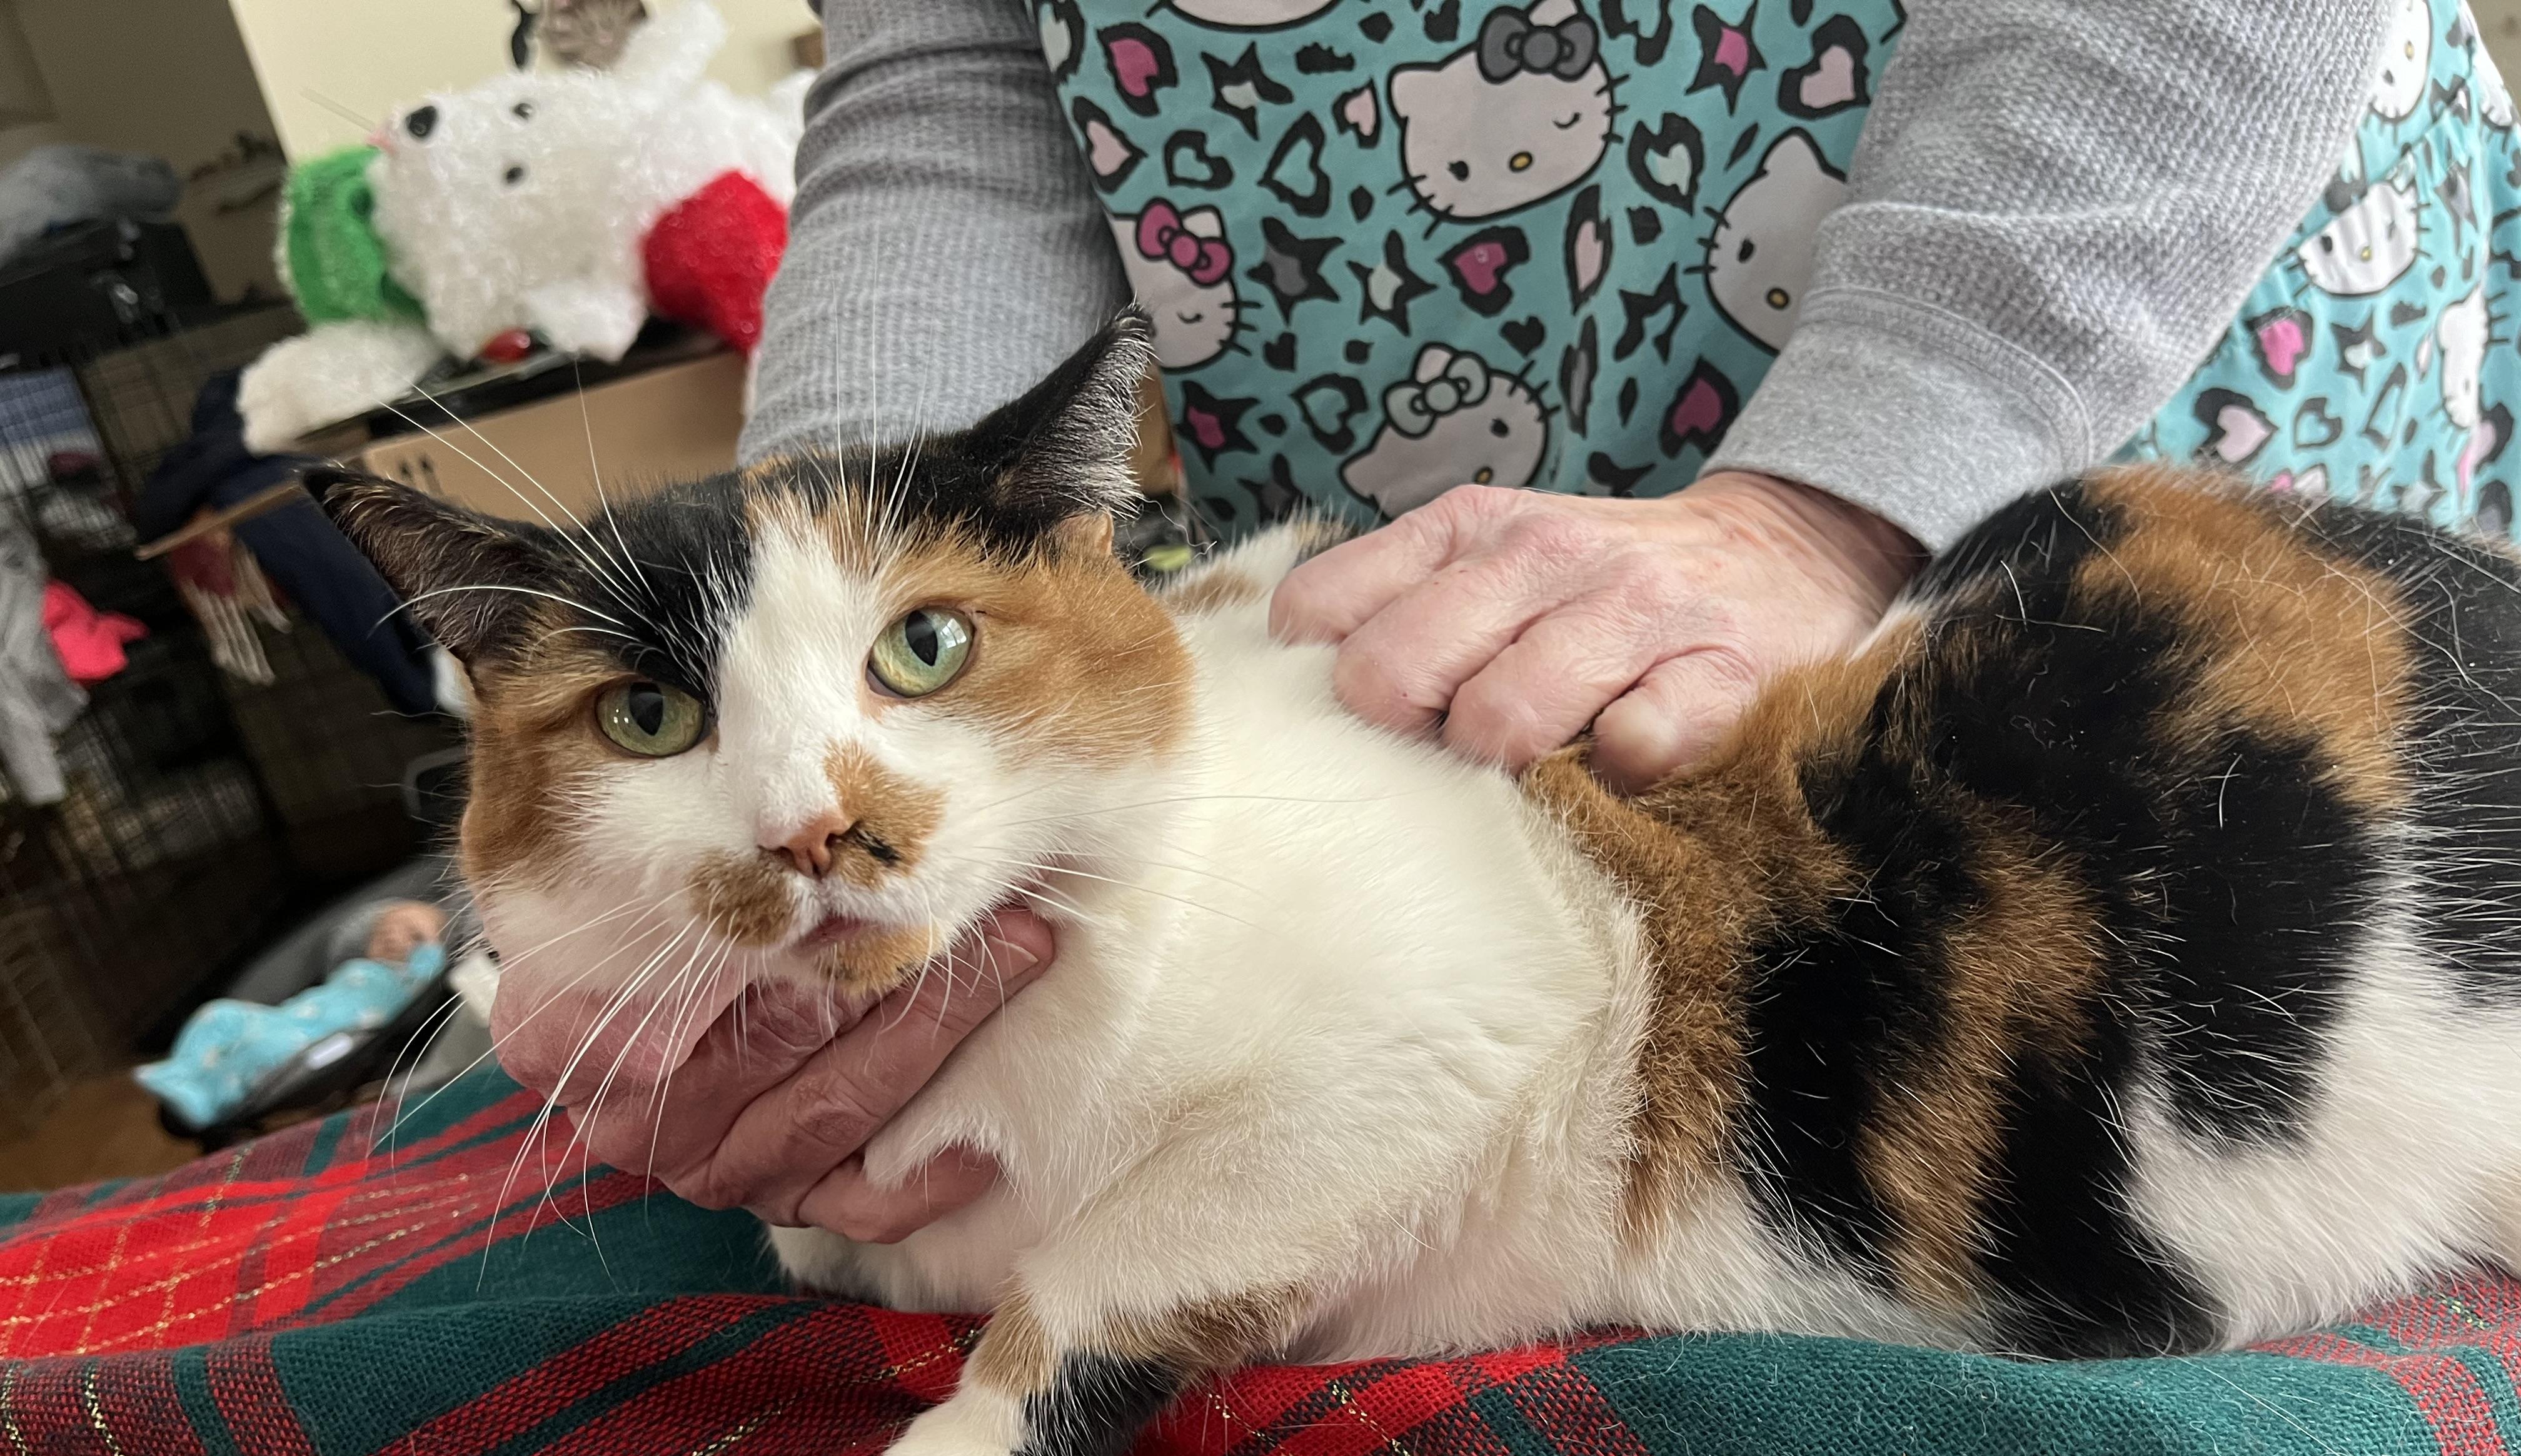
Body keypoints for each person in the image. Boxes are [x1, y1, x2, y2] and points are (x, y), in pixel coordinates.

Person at [495, 0, 2495, 1245]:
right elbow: (949, 76)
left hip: (2093, 488)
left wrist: (1835, 499)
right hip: (1437, 623)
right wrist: (841, 605)